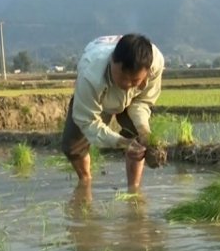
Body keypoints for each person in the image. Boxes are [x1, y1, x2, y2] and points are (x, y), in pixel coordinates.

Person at [62, 34, 165, 191]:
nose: (126, 84)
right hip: (100, 97)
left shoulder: (155, 64)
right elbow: (87, 121)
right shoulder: (90, 75)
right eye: (122, 76)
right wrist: (121, 142)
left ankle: (133, 188)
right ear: (112, 60)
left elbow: (142, 102)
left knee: (136, 134)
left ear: (146, 73)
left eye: (134, 80)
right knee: (72, 145)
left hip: (132, 99)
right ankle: (85, 182)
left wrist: (144, 131)